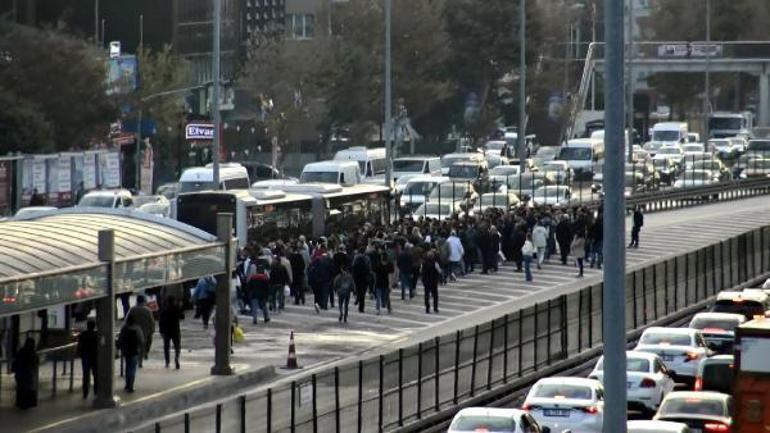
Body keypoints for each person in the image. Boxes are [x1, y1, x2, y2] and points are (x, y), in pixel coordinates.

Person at [126, 295, 155, 366]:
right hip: (145, 331)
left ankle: (137, 359)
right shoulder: (148, 310)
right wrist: (152, 330)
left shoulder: (132, 309)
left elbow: (127, 320)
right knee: (143, 345)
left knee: (136, 346)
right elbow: (151, 321)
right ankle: (140, 360)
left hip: (134, 330)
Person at [117, 315, 144, 393]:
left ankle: (127, 384)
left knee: (127, 366)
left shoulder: (124, 328)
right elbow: (141, 340)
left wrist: (119, 347)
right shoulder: (137, 329)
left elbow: (120, 339)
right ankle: (130, 385)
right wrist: (142, 349)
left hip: (126, 350)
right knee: (132, 368)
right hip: (134, 350)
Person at [159, 296, 184, 369]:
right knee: (177, 346)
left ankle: (167, 361)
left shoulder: (164, 309)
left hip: (166, 330)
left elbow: (161, 321)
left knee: (166, 347)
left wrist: (161, 330)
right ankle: (176, 358)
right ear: (173, 301)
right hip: (175, 329)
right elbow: (182, 316)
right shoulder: (176, 308)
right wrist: (180, 307)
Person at [13, 337, 39, 409]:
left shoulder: (21, 351)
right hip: (26, 372)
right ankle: (27, 403)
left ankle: (21, 402)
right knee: (27, 387)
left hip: (21, 372)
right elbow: (35, 362)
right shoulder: (32, 352)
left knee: (21, 387)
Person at [77, 320, 98, 399]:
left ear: (87, 326)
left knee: (85, 375)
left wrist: (79, 353)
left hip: (85, 356)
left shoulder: (83, 334)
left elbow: (80, 345)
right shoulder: (96, 335)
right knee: (95, 374)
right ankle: (96, 391)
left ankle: (85, 392)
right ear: (94, 326)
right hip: (94, 356)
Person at [352, 247, 372, 312]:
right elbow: (369, 268)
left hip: (357, 277)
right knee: (363, 293)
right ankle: (361, 307)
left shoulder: (356, 258)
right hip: (364, 277)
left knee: (358, 290)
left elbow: (353, 267)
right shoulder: (367, 258)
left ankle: (358, 297)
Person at [373, 249, 394, 315]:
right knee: (387, 297)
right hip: (386, 283)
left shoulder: (378, 264)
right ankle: (389, 308)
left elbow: (374, 274)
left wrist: (374, 283)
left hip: (378, 282)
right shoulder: (390, 265)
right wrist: (390, 285)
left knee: (378, 297)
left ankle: (378, 309)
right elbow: (390, 276)